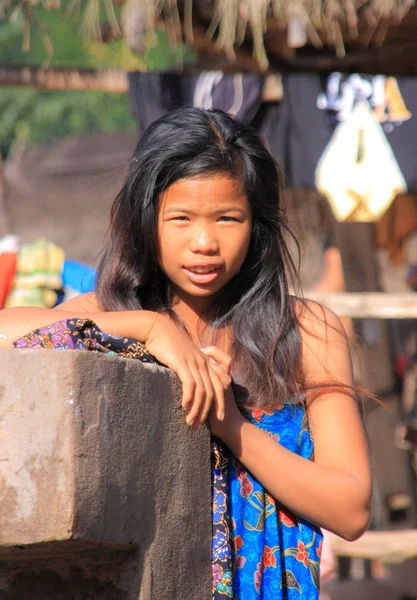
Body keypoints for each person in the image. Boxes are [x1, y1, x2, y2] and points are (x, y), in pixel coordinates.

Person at [0, 108, 371, 599]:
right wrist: (148, 328)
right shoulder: (112, 314)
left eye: (227, 218)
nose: (203, 243)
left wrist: (231, 425)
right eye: (180, 218)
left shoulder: (304, 331)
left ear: (256, 223)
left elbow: (351, 509)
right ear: (145, 219)